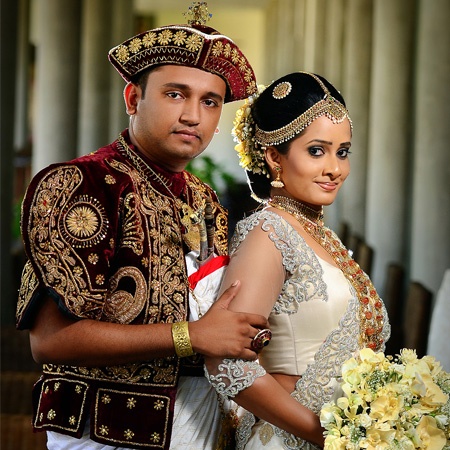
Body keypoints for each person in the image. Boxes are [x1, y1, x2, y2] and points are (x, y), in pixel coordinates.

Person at [15, 3, 269, 449]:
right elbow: (50, 342)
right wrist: (191, 336)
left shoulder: (203, 198)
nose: (193, 115)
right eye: (175, 94)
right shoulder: (83, 184)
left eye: (209, 102)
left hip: (200, 416)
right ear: (133, 99)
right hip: (105, 430)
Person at [205, 71, 391, 449]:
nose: (335, 168)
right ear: (275, 157)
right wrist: (326, 435)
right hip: (291, 440)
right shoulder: (268, 235)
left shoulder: (318, 233)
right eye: (317, 151)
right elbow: (227, 364)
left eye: (342, 152)